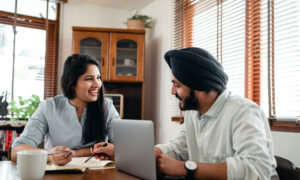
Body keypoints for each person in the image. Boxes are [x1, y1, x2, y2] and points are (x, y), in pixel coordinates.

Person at [94, 47, 279, 179]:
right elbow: (178, 148)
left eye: (177, 85)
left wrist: (186, 169)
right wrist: (127, 154)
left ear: (200, 85)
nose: (172, 92)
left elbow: (257, 169)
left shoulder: (244, 112)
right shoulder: (193, 113)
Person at [11, 54, 120, 165]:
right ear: (71, 83)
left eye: (98, 78)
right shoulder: (49, 107)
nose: (97, 84)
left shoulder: (107, 107)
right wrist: (49, 155)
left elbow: (124, 146)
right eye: (89, 79)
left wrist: (78, 153)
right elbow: (16, 151)